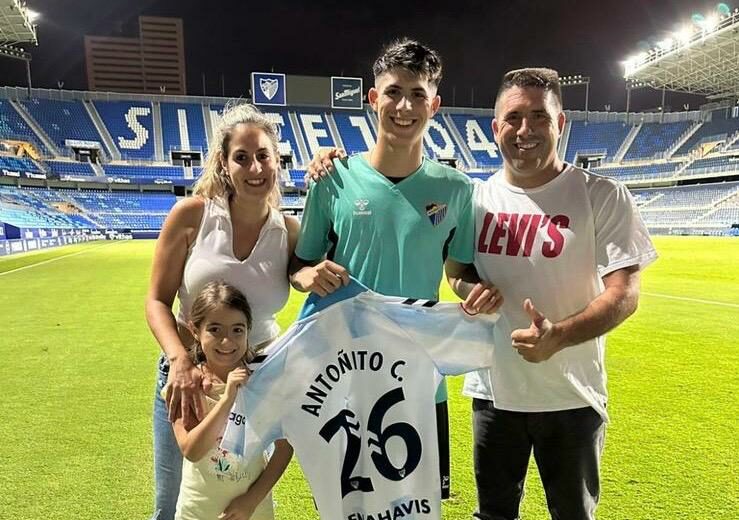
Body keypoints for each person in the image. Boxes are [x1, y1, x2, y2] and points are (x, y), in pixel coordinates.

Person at [290, 38, 502, 499]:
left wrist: (474, 292)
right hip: (345, 375)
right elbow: (301, 264)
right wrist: (306, 276)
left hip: (421, 378)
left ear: (435, 106)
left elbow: (458, 269)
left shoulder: (456, 189)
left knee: (417, 506)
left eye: (418, 94)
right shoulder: (333, 180)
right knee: (350, 504)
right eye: (393, 92)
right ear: (373, 98)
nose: (405, 106)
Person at [446, 68, 658, 520]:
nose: (525, 129)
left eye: (539, 116)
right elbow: (457, 271)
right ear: (495, 127)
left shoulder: (602, 195)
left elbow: (625, 292)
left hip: (572, 394)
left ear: (561, 123)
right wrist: (471, 289)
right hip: (495, 392)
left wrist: (558, 336)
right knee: (493, 515)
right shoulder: (475, 199)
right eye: (513, 117)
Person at [145, 102, 299, 520]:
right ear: (224, 164)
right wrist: (179, 360)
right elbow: (156, 300)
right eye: (242, 157)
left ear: (277, 160)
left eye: (263, 155)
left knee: (241, 492)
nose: (255, 168)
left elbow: (309, 278)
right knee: (171, 503)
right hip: (187, 379)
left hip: (255, 382)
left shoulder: (288, 231)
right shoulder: (192, 215)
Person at [167, 280, 292, 520]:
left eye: (237, 330)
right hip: (198, 511)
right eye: (215, 329)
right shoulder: (186, 386)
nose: (227, 341)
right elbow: (192, 451)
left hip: (253, 511)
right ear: (195, 330)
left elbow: (284, 449)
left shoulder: (262, 384)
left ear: (248, 330)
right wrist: (227, 399)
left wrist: (250, 501)